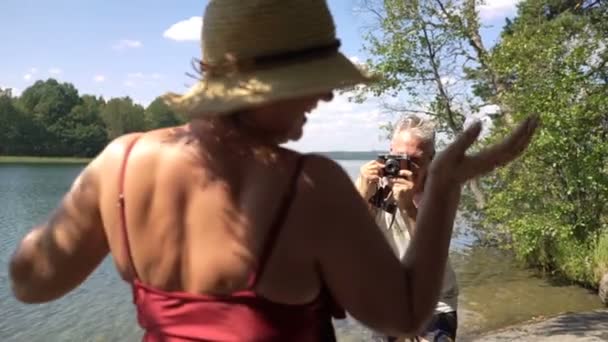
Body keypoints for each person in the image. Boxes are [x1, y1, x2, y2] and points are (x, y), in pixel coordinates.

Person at [8, 0, 538, 341]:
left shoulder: (118, 163)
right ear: (259, 82)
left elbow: (30, 283)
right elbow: (404, 316)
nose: (328, 93)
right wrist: (442, 185)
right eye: (314, 77)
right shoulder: (310, 185)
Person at [356, 115, 459, 342]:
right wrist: (362, 196)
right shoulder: (374, 183)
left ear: (432, 159)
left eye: (415, 160)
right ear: (390, 150)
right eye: (399, 157)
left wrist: (409, 208)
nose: (405, 167)